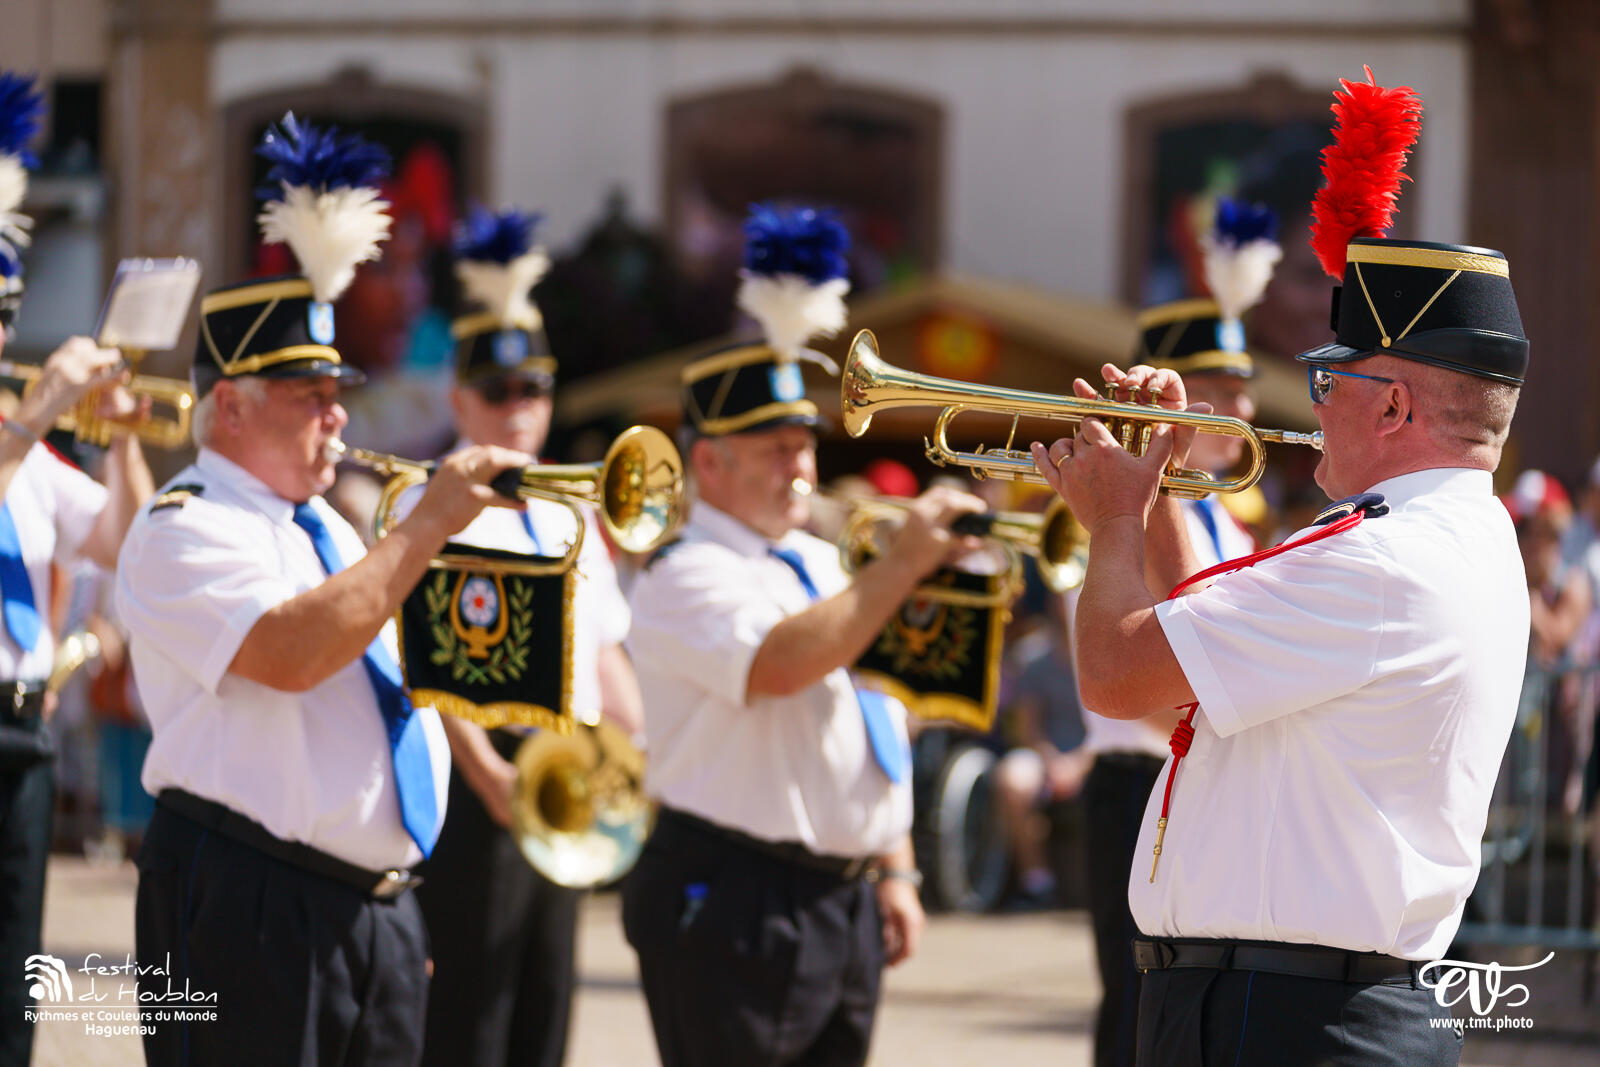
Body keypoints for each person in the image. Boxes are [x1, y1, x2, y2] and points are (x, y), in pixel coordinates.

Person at [1033, 227, 1530, 1064]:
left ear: (1393, 406)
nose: (1314, 403)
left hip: (1281, 1014)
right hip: (1301, 1003)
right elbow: (1198, 666)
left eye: (1328, 380)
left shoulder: (1379, 559)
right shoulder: (1459, 532)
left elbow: (1116, 675)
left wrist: (1114, 516)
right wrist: (1160, 490)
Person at [116, 115, 527, 1065]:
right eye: (311, 397)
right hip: (247, 904)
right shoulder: (183, 525)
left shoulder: (330, 525)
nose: (339, 417)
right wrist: (425, 525)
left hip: (364, 912)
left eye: (338, 394)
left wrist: (388, 903)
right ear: (231, 406)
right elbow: (294, 651)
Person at [620, 204, 984, 1066]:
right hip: (735, 889)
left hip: (838, 893)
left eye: (805, 445)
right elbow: (782, 663)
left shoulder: (823, 560)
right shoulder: (684, 571)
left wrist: (893, 863)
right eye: (775, 448)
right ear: (709, 461)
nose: (801, 467)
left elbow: (873, 716)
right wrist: (904, 564)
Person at [408, 206, 641, 1067]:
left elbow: (603, 649)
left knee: (545, 1010)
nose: (519, 408)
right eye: (498, 391)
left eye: (534, 389)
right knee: (469, 1019)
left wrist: (633, 762)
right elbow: (424, 655)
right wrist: (487, 773)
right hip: (479, 772)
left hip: (560, 764)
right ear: (459, 398)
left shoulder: (567, 508)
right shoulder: (430, 501)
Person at [1067, 203, 1271, 1067]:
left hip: (1199, 771)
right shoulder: (1128, 503)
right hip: (1137, 778)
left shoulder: (1233, 520)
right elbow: (1130, 666)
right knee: (1136, 1004)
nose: (1242, 407)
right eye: (1221, 389)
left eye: (1241, 387)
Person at [0, 70, 154, 1064]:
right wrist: (38, 415)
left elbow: (122, 546)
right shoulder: (20, 436)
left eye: (5, 310)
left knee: (13, 983)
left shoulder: (30, 451)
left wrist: (124, 438)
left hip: (24, 730)